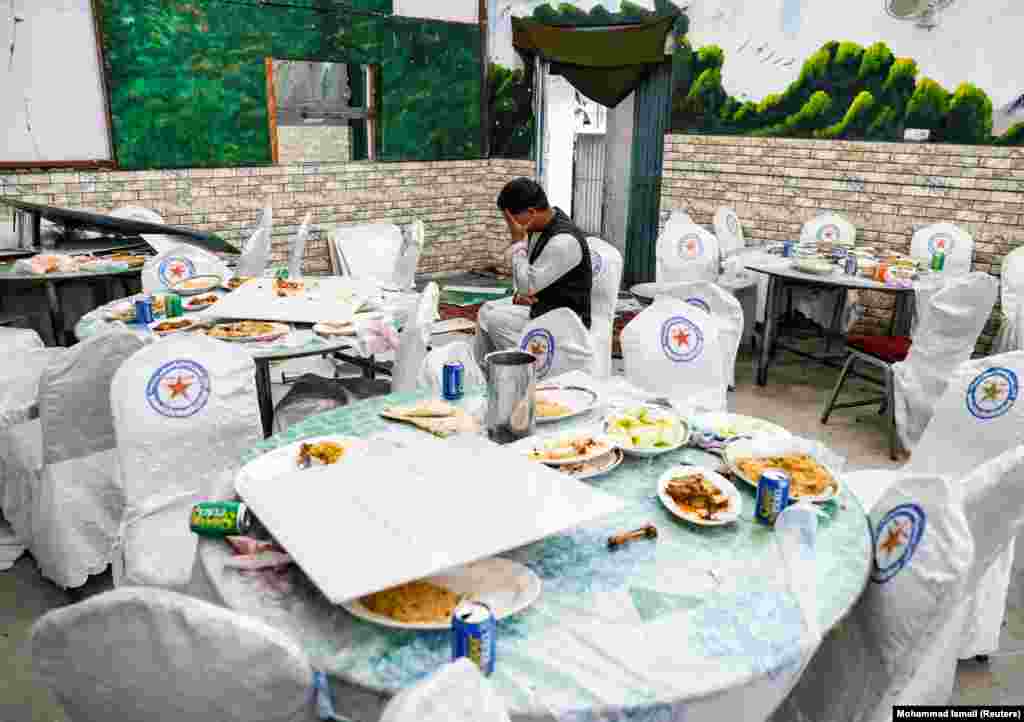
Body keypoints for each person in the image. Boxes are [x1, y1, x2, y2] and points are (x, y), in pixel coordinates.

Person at [473, 178, 593, 364]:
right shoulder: (540, 227)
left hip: (566, 319)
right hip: (543, 304)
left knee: (496, 320)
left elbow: (526, 285)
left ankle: (529, 369)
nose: (511, 225)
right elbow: (523, 279)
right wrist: (522, 293)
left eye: (512, 219)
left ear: (530, 212)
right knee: (485, 312)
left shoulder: (563, 241)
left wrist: (517, 242)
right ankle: (486, 371)